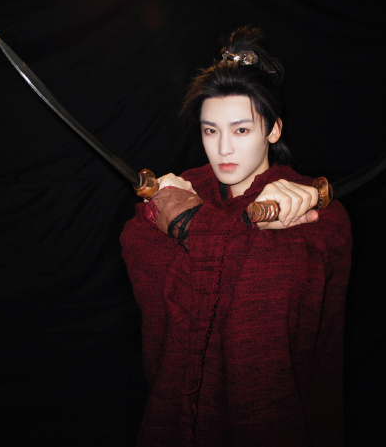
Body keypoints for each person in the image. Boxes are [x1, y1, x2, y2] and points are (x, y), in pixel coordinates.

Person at [120, 27, 352, 447]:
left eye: (241, 130)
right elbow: (138, 244)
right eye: (210, 131)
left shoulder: (319, 215)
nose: (223, 149)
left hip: (272, 420)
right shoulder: (179, 193)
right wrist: (183, 211)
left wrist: (185, 221)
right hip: (179, 419)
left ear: (273, 130)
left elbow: (274, 286)